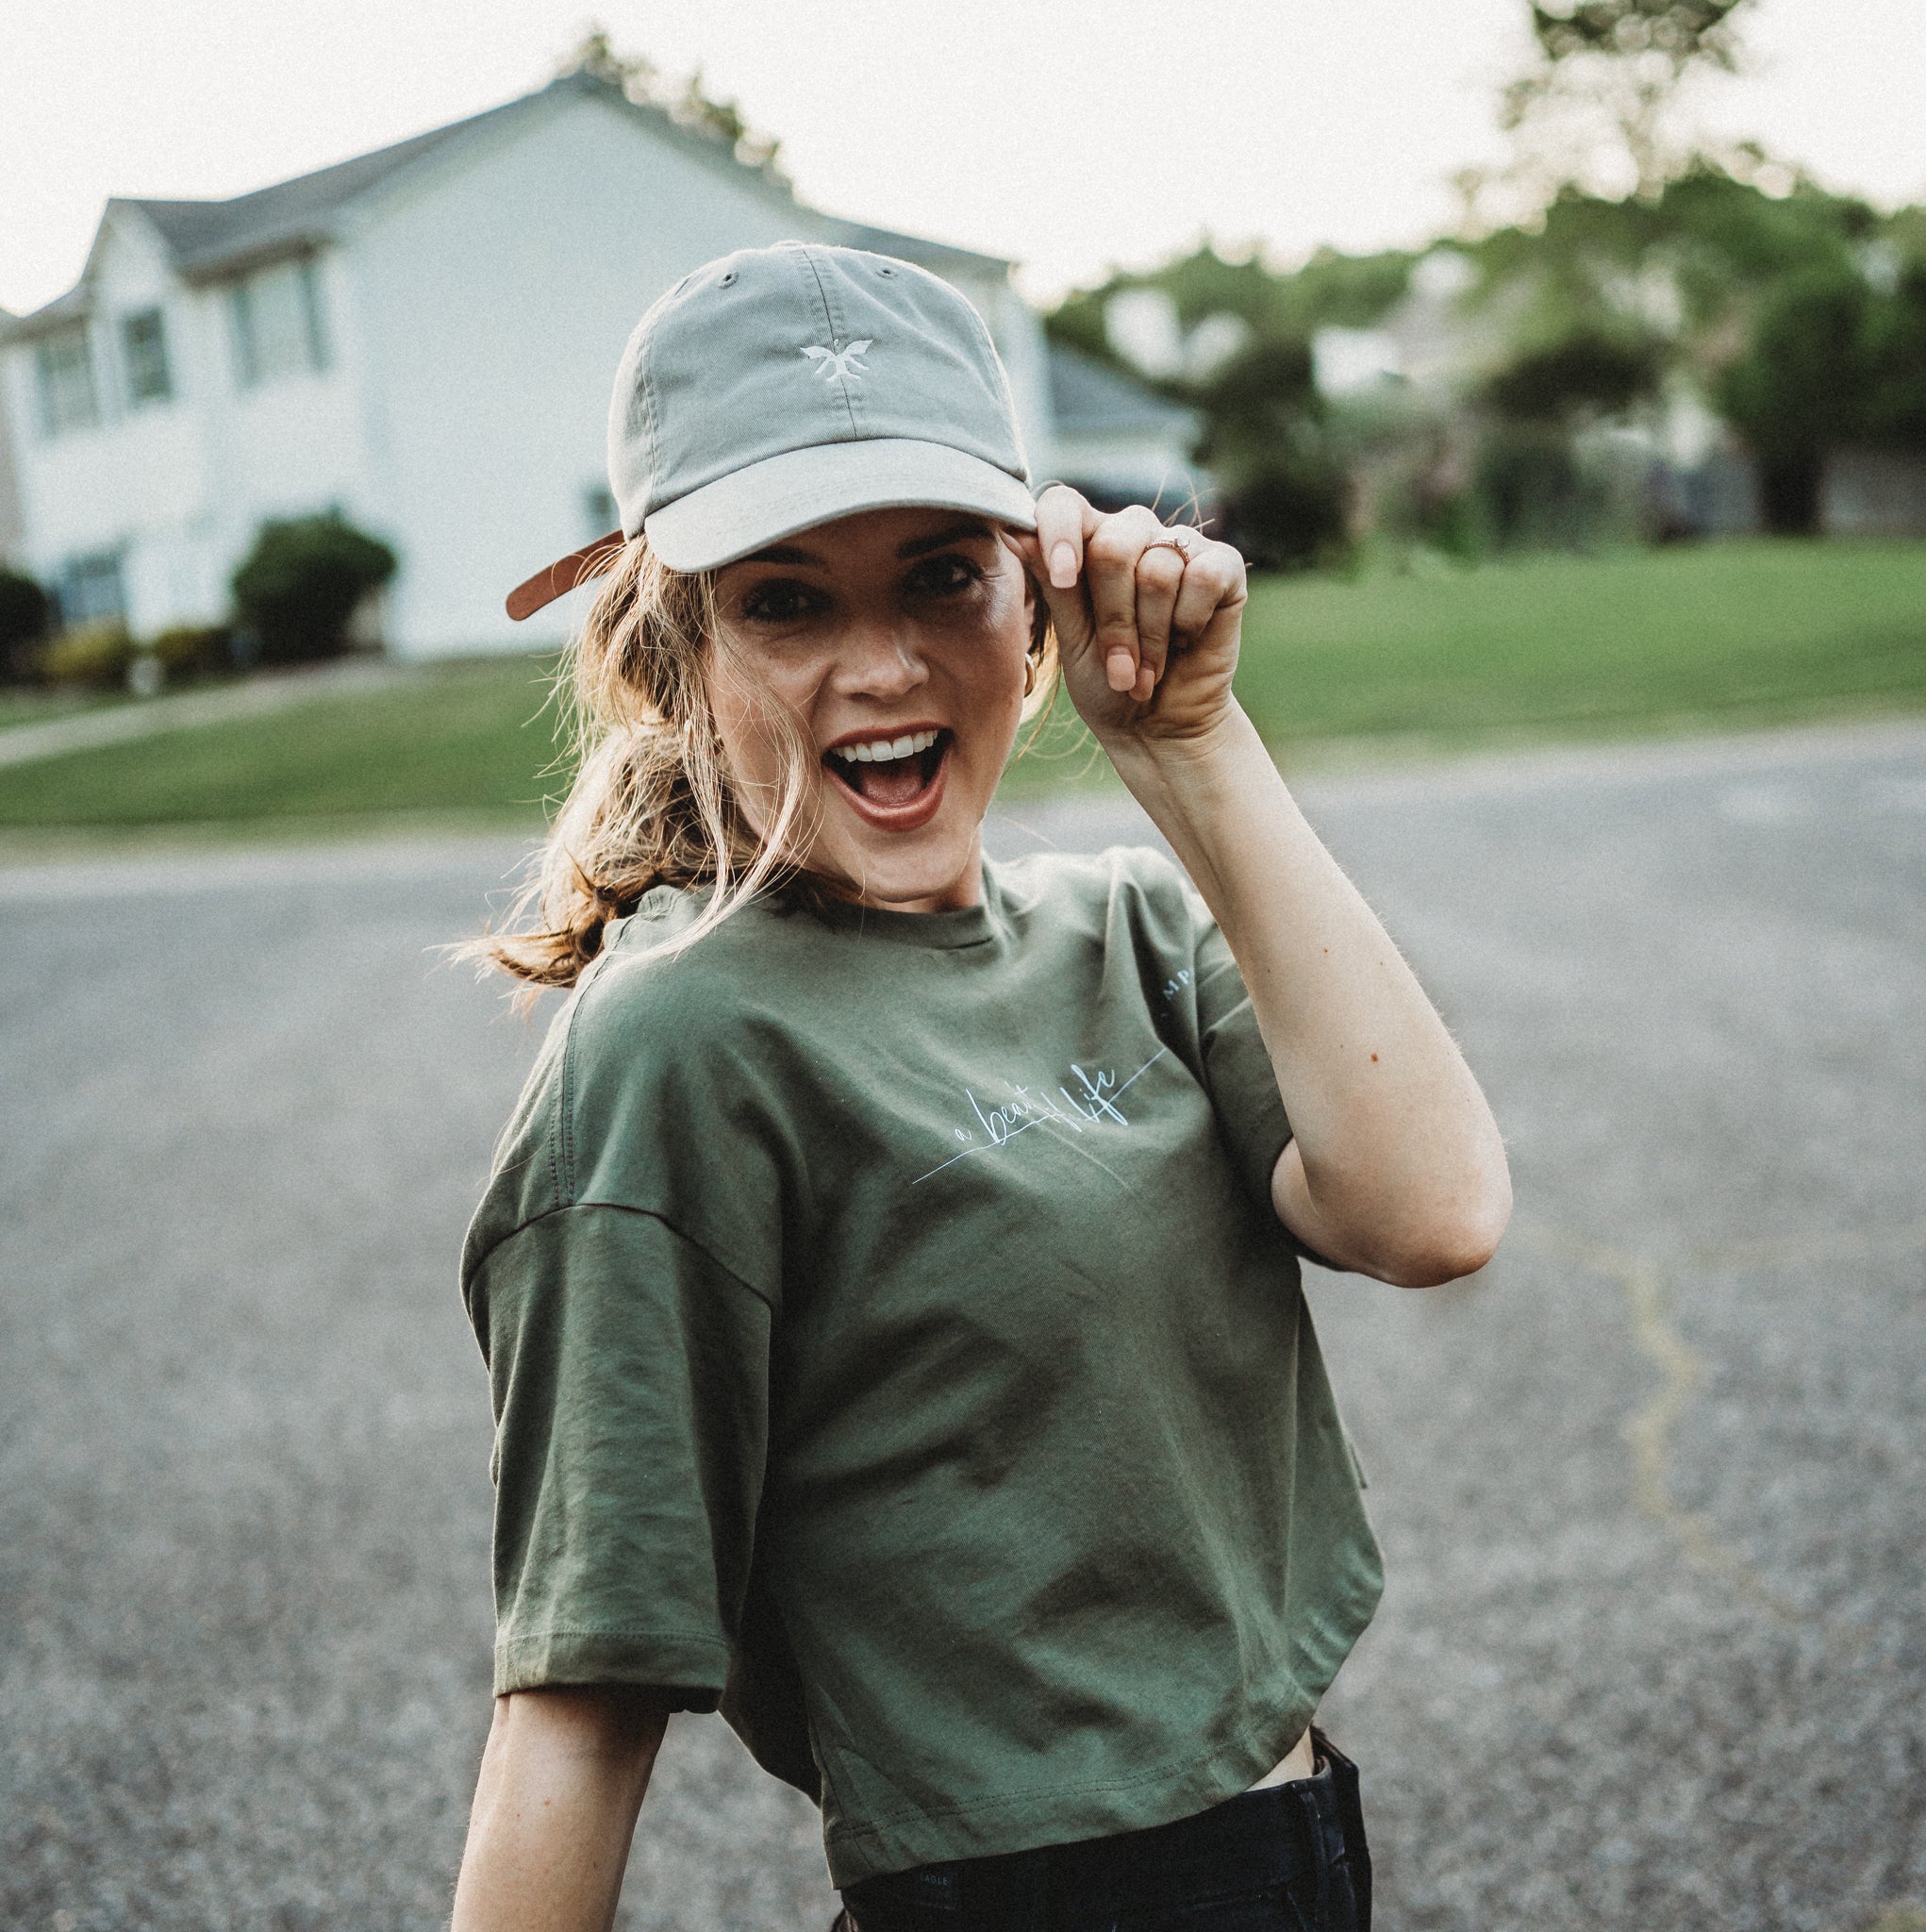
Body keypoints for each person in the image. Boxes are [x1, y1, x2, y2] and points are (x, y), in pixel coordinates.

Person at [449, 242, 1511, 1932]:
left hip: (1295, 1839)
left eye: (943, 576)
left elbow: (1431, 1210)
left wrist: (1191, 750)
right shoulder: (677, 1045)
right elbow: (579, 1705)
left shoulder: (1133, 925)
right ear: (675, 660)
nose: (882, 668)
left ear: (1037, 607)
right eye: (786, 600)